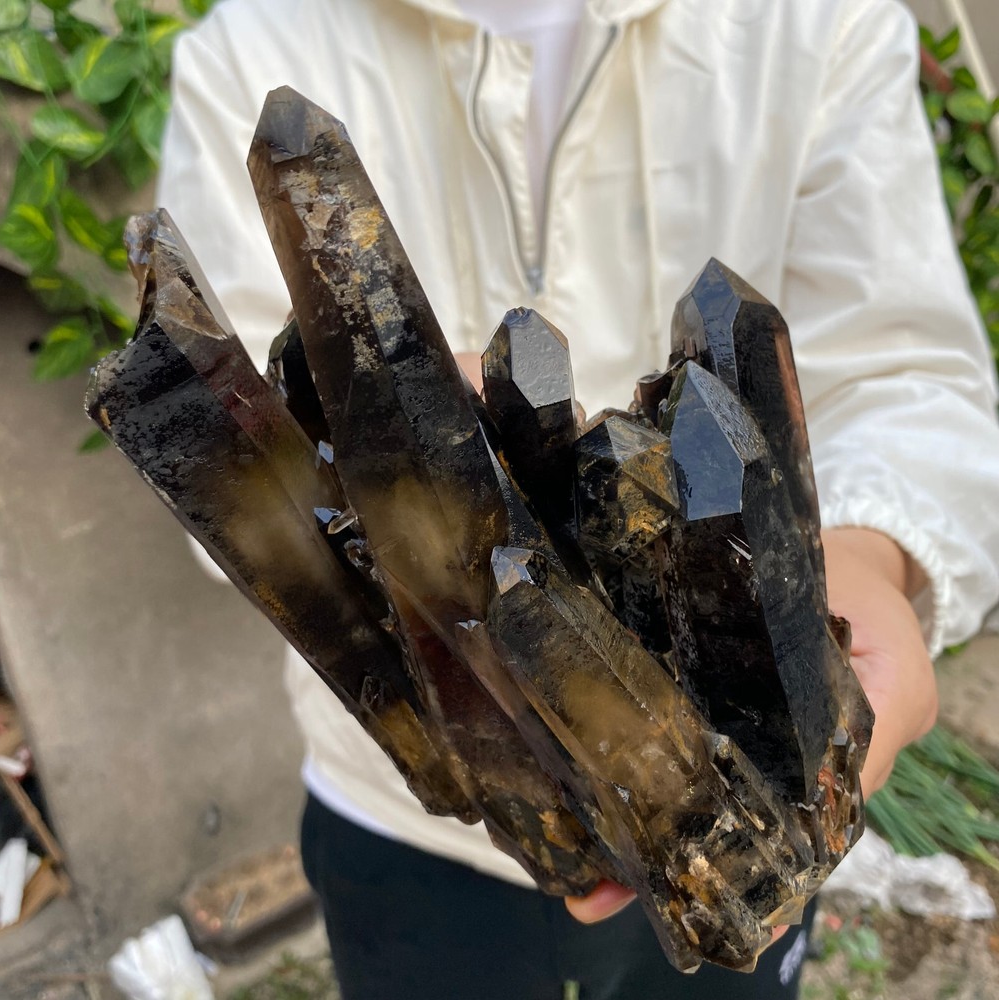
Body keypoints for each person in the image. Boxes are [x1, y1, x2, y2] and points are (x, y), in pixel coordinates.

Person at [158, 0, 999, 996]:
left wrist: (857, 582)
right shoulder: (251, 49)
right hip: (405, 832)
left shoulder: (816, 22)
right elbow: (237, 470)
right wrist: (373, 459)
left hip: (731, 812)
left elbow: (902, 368)